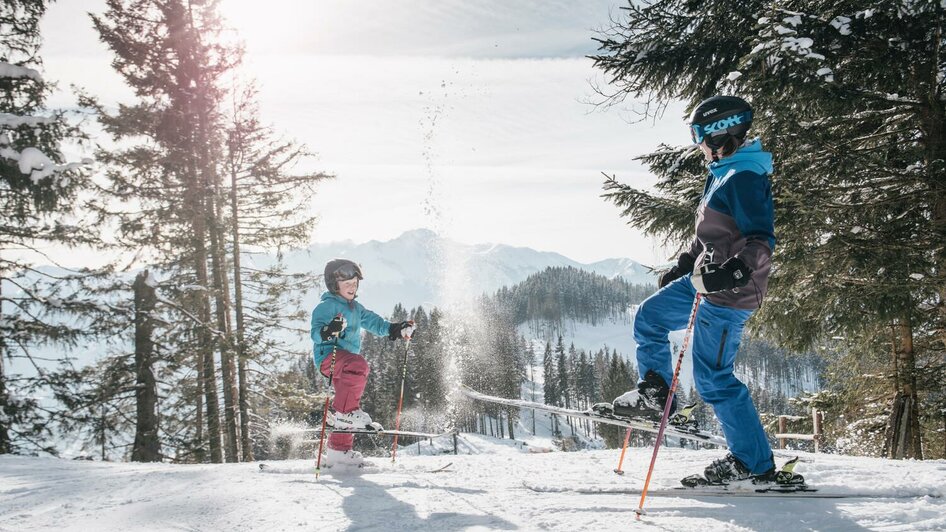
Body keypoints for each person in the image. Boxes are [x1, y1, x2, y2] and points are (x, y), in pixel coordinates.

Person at [610, 95, 778, 485]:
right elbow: (708, 235)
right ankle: (656, 393)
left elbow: (760, 240)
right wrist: (685, 265)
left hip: (729, 292)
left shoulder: (745, 177)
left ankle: (754, 464)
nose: (698, 144)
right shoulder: (721, 171)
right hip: (703, 278)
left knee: (713, 379)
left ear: (722, 133)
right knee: (649, 316)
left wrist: (735, 272)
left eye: (700, 135)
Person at [312, 258, 415, 468]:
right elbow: (315, 332)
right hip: (329, 358)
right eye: (347, 283)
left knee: (347, 404)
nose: (352, 287)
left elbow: (375, 323)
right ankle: (346, 415)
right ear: (334, 284)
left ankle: (338, 452)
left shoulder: (356, 309)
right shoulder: (326, 306)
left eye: (355, 283)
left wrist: (395, 329)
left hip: (347, 365)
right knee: (359, 367)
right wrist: (329, 330)